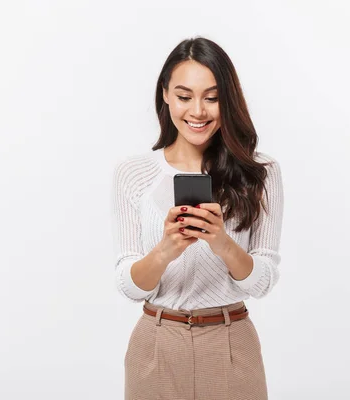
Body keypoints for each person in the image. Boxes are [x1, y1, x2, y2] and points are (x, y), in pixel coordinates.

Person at [111, 37, 284, 400]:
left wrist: (222, 243)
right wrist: (165, 250)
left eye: (212, 97)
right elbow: (128, 285)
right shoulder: (133, 172)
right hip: (157, 343)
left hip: (231, 341)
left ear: (228, 100)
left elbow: (262, 281)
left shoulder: (260, 172)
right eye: (184, 95)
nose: (198, 111)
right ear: (166, 95)